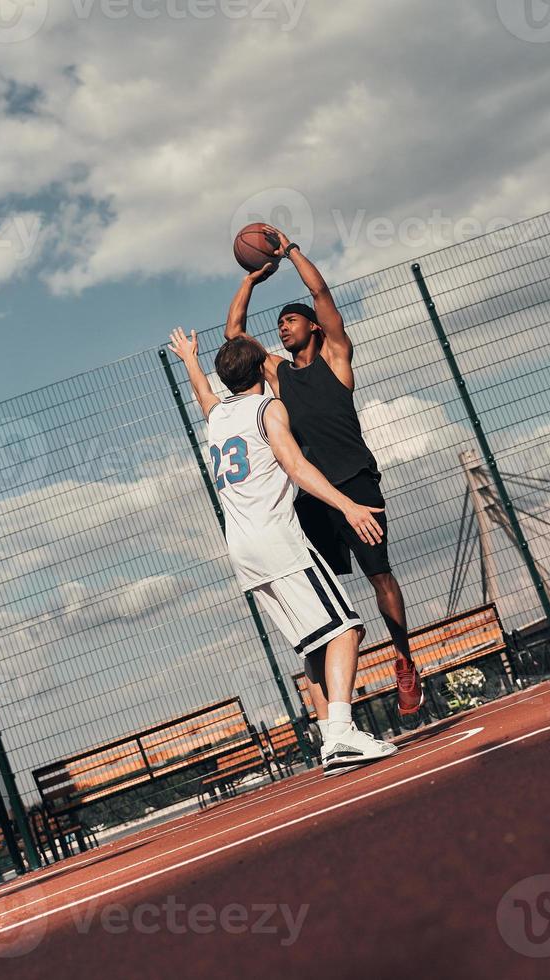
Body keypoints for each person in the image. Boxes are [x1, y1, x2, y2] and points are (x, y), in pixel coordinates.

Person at [167, 328, 398, 775]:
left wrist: (189, 359)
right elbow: (296, 466)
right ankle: (341, 735)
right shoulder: (268, 408)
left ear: (225, 377)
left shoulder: (216, 417)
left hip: (243, 551)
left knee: (315, 647)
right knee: (347, 630)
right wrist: (348, 505)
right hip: (279, 541)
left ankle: (333, 736)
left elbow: (201, 394)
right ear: (260, 370)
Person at [224, 225, 423, 716]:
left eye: (291, 320)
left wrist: (290, 251)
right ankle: (332, 699)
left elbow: (320, 291)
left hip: (354, 480)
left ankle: (403, 658)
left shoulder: (336, 358)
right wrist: (252, 277)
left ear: (313, 327)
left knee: (380, 576)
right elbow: (234, 334)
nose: (283, 327)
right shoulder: (276, 372)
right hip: (311, 496)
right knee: (317, 592)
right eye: (280, 324)